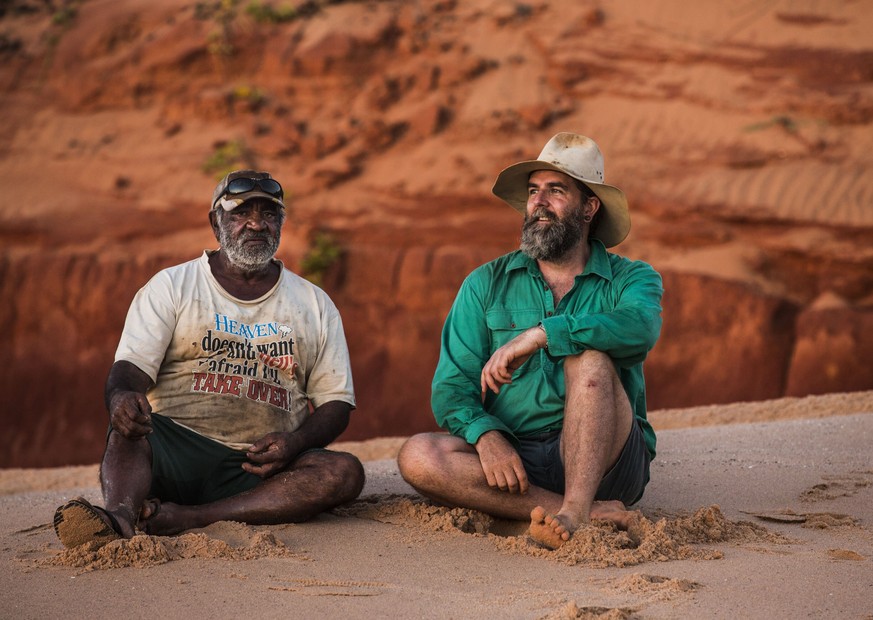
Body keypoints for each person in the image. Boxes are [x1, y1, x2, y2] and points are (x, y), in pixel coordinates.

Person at [53, 170, 364, 548]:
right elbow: (130, 370)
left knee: (343, 472)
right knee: (131, 429)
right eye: (240, 213)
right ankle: (120, 517)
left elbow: (336, 402)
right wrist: (120, 398)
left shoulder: (314, 303)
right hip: (174, 451)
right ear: (215, 222)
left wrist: (295, 444)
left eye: (269, 214)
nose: (256, 224)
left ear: (281, 223)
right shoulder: (172, 286)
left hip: (260, 470)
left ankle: (193, 517)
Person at [398, 133, 663, 549]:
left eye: (556, 191)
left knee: (590, 360)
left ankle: (575, 514)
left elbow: (640, 328)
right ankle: (579, 509)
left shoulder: (632, 277)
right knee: (418, 456)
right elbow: (451, 388)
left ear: (589, 207)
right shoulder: (484, 283)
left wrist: (542, 334)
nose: (539, 202)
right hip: (516, 459)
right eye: (534, 191)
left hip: (609, 458)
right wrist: (487, 436)